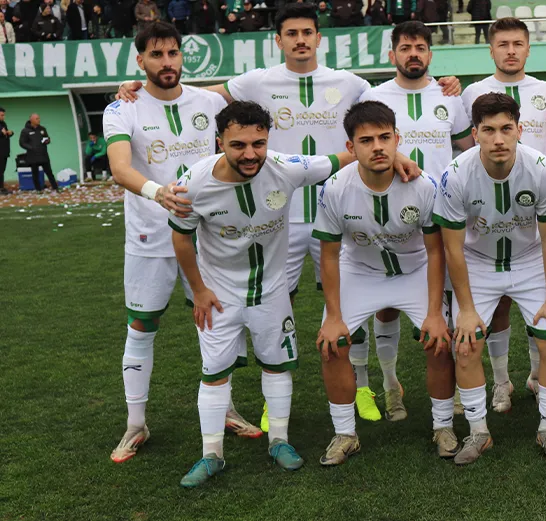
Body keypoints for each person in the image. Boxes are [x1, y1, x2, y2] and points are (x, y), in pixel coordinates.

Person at [117, 6, 442, 427]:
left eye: (307, 32)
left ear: (319, 38)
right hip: (276, 220)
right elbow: (191, 94)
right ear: (279, 40)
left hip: (336, 212)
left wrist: (437, 92)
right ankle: (271, 401)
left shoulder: (351, 84)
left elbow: (379, 123)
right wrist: (138, 88)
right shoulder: (257, 81)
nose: (300, 40)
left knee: (346, 302)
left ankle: (361, 387)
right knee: (275, 302)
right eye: (292, 33)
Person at [168, 101, 359, 487]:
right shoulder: (194, 184)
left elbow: (344, 157)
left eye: (258, 143)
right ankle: (211, 454)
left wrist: (397, 157)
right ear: (220, 143)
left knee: (276, 365)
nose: (250, 154)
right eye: (238, 145)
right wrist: (199, 290)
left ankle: (279, 441)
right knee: (214, 372)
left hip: (272, 291)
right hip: (219, 296)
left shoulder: (286, 167)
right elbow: (181, 238)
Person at [102, 22, 261, 465]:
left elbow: (262, 101)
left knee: (216, 321)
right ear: (140, 61)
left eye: (173, 53)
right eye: (156, 55)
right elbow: (119, 167)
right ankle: (136, 423)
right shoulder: (122, 107)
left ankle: (224, 408)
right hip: (149, 237)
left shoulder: (209, 102)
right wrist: (159, 193)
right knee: (142, 325)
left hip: (208, 238)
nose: (167, 62)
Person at [312, 100, 454, 465]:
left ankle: (443, 426)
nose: (377, 147)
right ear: (351, 147)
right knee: (332, 344)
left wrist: (435, 313)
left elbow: (435, 252)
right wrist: (333, 316)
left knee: (439, 341)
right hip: (361, 271)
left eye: (384, 137)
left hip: (415, 270)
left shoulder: (423, 185)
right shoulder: (335, 188)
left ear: (397, 139)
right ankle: (345, 434)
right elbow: (329, 256)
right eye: (366, 140)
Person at [435, 93, 546, 465]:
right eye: (489, 130)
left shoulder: (540, 169)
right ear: (475, 134)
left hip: (528, 261)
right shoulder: (455, 175)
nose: (498, 139)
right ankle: (478, 432)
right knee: (466, 344)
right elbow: (453, 249)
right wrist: (465, 309)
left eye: (506, 129)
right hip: (478, 262)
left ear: (519, 130)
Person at [354, 20, 473, 421]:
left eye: (420, 47)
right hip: (390, 215)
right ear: (393, 55)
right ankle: (391, 385)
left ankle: (454, 390)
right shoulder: (374, 96)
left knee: (450, 302)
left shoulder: (449, 96)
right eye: (405, 48)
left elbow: (466, 149)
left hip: (445, 212)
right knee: (386, 306)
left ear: (430, 54)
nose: (413, 54)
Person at [460, 17, 546, 410]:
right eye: (503, 44)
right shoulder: (471, 92)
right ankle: (501, 381)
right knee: (500, 304)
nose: (510, 50)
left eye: (517, 44)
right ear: (491, 49)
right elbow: (461, 141)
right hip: (487, 210)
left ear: (528, 49)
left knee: (537, 303)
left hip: (534, 207)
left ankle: (538, 376)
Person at [19, 114, 57, 191]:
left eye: (39, 118)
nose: (39, 120)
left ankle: (55, 187)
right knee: (35, 173)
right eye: (37, 119)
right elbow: (22, 143)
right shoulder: (25, 131)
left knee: (49, 172)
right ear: (31, 120)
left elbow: (47, 138)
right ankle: (38, 189)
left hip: (43, 154)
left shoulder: (42, 129)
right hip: (33, 155)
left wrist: (47, 140)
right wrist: (31, 148)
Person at [0, 107, 12, 194]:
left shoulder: (3, 124)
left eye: (4, 115)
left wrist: (9, 133)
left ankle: (1, 188)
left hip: (4, 151)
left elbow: (5, 134)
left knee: (2, 170)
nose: (3, 117)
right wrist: (1, 133)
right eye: (1, 115)